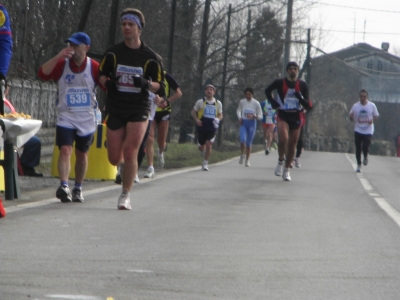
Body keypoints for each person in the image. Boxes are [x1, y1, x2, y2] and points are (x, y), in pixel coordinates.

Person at [98, 8, 165, 210]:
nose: (126, 27)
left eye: (131, 24)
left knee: (130, 151)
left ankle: (125, 194)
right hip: (116, 106)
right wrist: (108, 83)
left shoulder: (151, 57)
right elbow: (101, 75)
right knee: (113, 157)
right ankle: (122, 170)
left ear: (139, 28)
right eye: (124, 24)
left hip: (139, 108)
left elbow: (160, 86)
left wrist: (145, 83)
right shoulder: (113, 53)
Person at [38, 32, 103, 203]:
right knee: (65, 150)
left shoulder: (94, 66)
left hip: (86, 118)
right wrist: (58, 56)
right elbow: (42, 74)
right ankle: (64, 185)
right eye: (70, 45)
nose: (72, 49)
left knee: (82, 154)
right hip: (66, 116)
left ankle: (78, 188)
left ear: (86, 48)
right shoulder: (62, 65)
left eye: (76, 45)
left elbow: (107, 85)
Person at [265, 61, 313, 181]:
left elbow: (308, 104)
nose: (293, 71)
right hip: (283, 114)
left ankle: (287, 170)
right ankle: (281, 161)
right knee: (283, 139)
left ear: (297, 71)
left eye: (295, 69)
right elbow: (267, 91)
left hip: (296, 115)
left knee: (292, 144)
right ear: (287, 71)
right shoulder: (280, 82)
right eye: (290, 69)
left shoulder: (302, 85)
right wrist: (274, 103)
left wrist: (300, 98)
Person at [144, 62, 182, 178]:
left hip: (163, 112)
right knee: (149, 139)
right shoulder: (146, 77)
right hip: (150, 112)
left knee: (161, 142)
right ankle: (150, 167)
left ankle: (160, 152)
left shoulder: (167, 76)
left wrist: (167, 101)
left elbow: (179, 93)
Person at [3, 83, 43, 176]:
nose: (6, 90)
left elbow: (13, 116)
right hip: (3, 134)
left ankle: (26, 166)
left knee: (35, 141)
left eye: (7, 88)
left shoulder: (7, 103)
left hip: (13, 132)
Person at [191, 84, 223, 171]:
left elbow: (221, 115)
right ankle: (202, 149)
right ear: (205, 91)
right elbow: (193, 112)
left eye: (211, 89)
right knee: (201, 147)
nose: (209, 91)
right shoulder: (200, 102)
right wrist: (197, 120)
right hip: (202, 126)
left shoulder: (218, 103)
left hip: (212, 127)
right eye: (207, 89)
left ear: (214, 92)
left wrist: (218, 119)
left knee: (209, 145)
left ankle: (205, 163)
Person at [349, 89, 379, 173]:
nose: (363, 98)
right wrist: (351, 117)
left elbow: (376, 116)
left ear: (367, 97)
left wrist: (372, 120)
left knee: (365, 146)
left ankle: (365, 156)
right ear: (359, 97)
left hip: (368, 130)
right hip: (358, 129)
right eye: (361, 96)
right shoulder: (355, 106)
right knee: (358, 148)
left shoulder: (372, 105)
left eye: (364, 96)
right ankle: (359, 165)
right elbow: (351, 117)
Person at [237, 87, 262, 166]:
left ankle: (247, 160)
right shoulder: (242, 102)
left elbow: (261, 115)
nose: (248, 96)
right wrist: (240, 117)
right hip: (244, 123)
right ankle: (242, 154)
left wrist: (254, 116)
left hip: (252, 124)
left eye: (249, 94)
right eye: (246, 94)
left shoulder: (256, 103)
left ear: (252, 95)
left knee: (248, 143)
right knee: (242, 139)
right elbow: (238, 110)